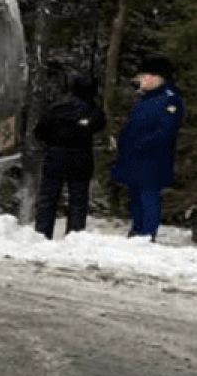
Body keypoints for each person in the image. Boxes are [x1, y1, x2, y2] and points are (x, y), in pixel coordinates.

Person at [111, 55, 186, 240]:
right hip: (135, 157)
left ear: (156, 77)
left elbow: (166, 129)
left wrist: (143, 143)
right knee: (135, 194)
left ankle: (147, 232)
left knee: (148, 195)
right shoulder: (146, 99)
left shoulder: (170, 100)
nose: (141, 81)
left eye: (144, 76)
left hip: (153, 158)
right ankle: (137, 228)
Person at [32, 74, 105, 239]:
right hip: (81, 155)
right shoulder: (93, 110)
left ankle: (42, 232)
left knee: (48, 196)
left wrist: (51, 141)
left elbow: (40, 130)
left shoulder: (57, 107)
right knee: (78, 197)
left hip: (56, 154)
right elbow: (100, 125)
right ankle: (75, 233)